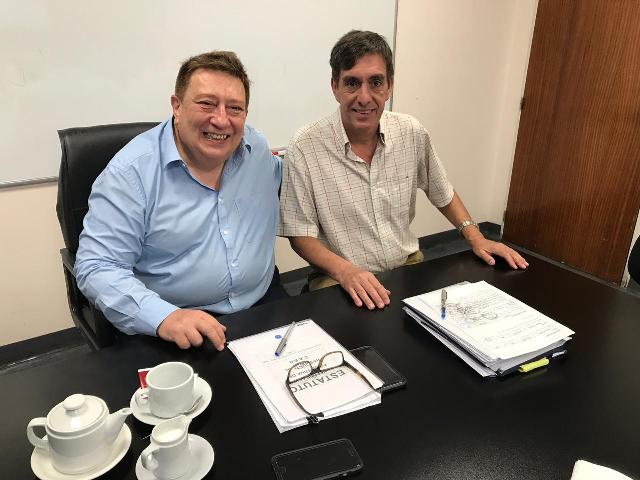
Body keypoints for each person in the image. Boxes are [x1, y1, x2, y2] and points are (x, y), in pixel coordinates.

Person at [279, 30, 528, 310]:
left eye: (376, 82)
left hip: (406, 266)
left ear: (390, 86)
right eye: (352, 83)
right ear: (335, 86)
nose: (364, 97)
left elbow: (443, 192)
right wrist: (346, 272)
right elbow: (300, 235)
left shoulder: (411, 132)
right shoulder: (305, 146)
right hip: (337, 277)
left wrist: (477, 238)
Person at [75, 51, 286, 350]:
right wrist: (164, 317)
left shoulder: (257, 150)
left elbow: (298, 178)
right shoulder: (131, 174)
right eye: (207, 104)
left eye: (235, 108)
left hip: (264, 303)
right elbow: (97, 266)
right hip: (179, 323)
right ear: (177, 106)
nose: (221, 120)